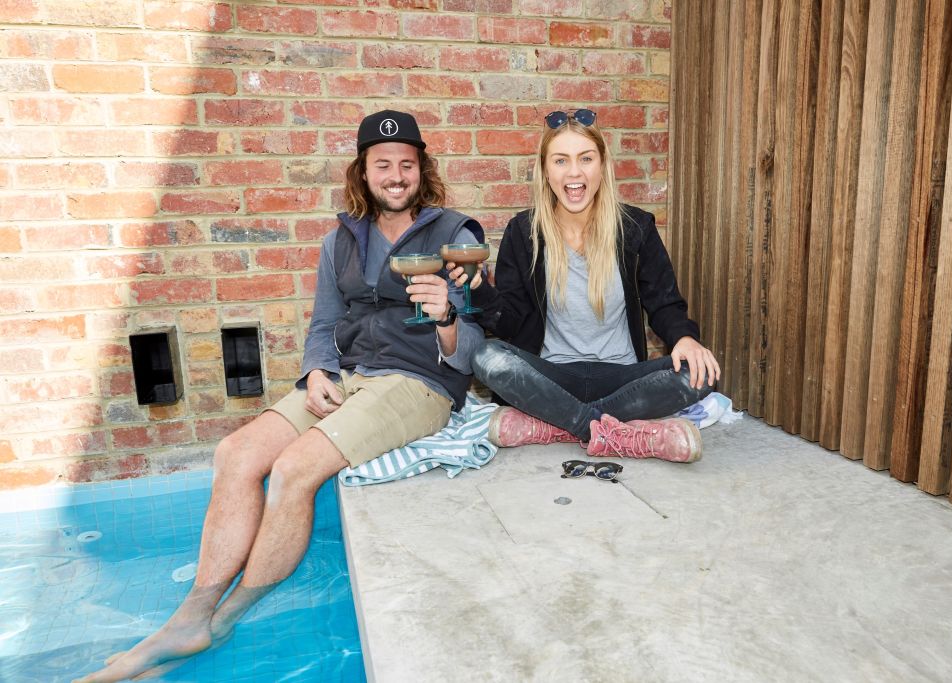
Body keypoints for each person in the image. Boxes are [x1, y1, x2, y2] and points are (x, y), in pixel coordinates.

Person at [76, 110, 484, 682]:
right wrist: (317, 369)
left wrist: (445, 314)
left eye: (407, 165)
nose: (396, 176)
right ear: (362, 173)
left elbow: (470, 352)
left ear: (423, 170)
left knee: (294, 470)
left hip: (417, 382)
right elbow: (323, 324)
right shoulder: (340, 240)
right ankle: (192, 615)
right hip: (346, 373)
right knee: (235, 456)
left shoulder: (458, 237)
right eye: (382, 165)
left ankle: (228, 618)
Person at [456, 108, 720, 462]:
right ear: (545, 170)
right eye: (561, 160)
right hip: (553, 376)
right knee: (487, 356)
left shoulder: (635, 228)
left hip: (623, 378)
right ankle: (619, 434)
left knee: (700, 374)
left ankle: (556, 425)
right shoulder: (523, 232)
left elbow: (664, 302)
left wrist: (685, 339)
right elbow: (509, 323)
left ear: (602, 165)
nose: (574, 172)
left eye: (586, 158)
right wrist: (480, 290)